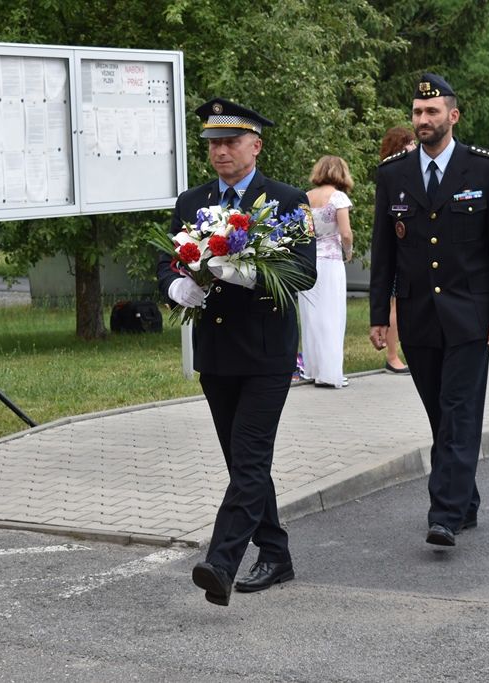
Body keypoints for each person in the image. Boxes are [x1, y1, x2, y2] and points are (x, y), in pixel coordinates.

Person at [157, 97, 316, 606]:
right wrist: (175, 287)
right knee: (243, 461)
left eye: (230, 142)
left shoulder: (287, 200)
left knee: (248, 457)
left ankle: (221, 563)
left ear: (256, 146)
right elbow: (168, 260)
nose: (220, 151)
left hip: (266, 353)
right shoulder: (193, 201)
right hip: (217, 351)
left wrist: (249, 274)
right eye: (213, 143)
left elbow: (304, 272)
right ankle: (276, 554)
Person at [369, 73, 489, 548]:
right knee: (440, 414)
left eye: (432, 112)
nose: (423, 119)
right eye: (417, 112)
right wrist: (378, 316)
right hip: (418, 316)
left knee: (459, 411)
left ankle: (445, 514)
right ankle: (465, 500)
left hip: (469, 315)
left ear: (452, 116)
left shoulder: (485, 169)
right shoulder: (393, 174)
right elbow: (383, 253)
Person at [299, 155, 354, 388]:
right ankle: (330, 373)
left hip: (308, 262)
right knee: (332, 315)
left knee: (311, 317)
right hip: (331, 262)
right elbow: (346, 233)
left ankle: (312, 369)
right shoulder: (338, 197)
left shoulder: (306, 197)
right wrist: (348, 251)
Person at [377, 126, 417, 375]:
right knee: (395, 307)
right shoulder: (392, 174)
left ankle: (396, 354)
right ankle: (392, 356)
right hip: (398, 253)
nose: (414, 148)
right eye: (409, 143)